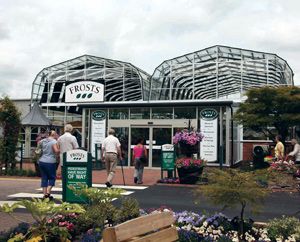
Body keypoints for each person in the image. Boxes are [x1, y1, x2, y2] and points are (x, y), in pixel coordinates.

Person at [38, 130, 60, 200]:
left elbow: (38, 148)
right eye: (56, 134)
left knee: (44, 178)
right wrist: (60, 150)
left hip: (42, 161)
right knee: (52, 177)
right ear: (54, 135)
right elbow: (56, 151)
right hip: (50, 162)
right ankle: (48, 192)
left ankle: (45, 195)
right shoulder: (54, 141)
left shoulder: (42, 141)